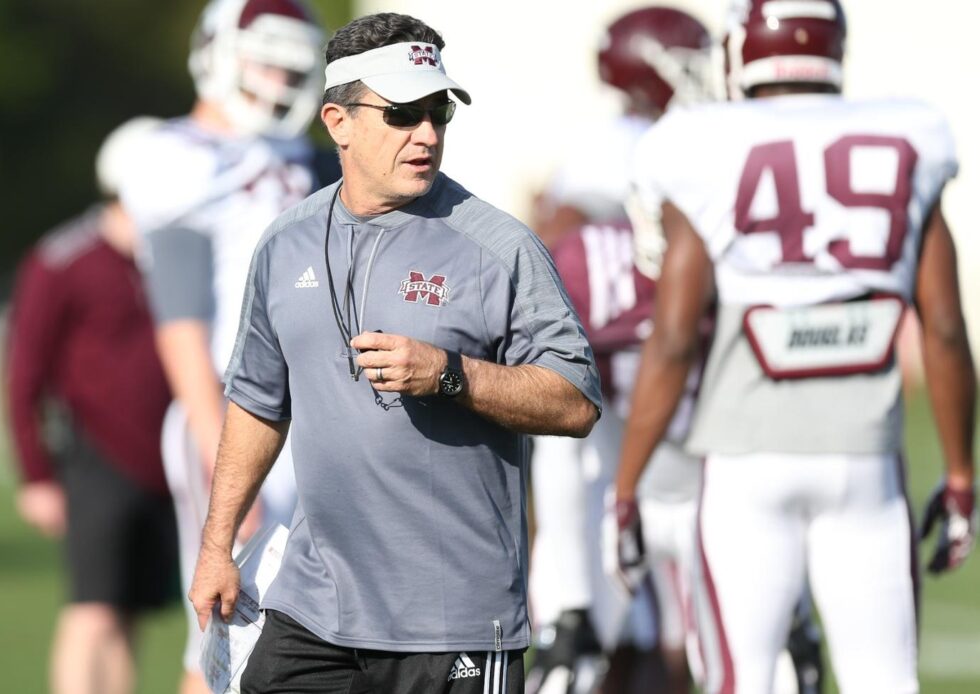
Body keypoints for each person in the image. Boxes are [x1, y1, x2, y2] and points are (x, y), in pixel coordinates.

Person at [188, 12, 603, 694]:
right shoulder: (284, 243)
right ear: (338, 121)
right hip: (314, 609)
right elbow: (258, 404)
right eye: (404, 114)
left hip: (452, 623)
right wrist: (216, 547)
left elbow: (577, 401)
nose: (428, 134)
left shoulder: (499, 248)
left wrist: (450, 374)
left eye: (439, 111)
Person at [612, 1, 976, 692]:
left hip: (746, 456)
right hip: (866, 457)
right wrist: (960, 474)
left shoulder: (703, 142)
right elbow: (947, 327)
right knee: (884, 681)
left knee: (740, 681)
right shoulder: (909, 133)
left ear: (744, 49)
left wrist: (626, 487)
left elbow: (674, 340)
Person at [116, 2, 325, 692]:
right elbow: (179, 320)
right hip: (237, 418)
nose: (284, 77)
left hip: (317, 422)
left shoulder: (308, 156)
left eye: (295, 62)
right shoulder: (176, 157)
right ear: (218, 54)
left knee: (313, 632)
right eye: (269, 59)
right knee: (224, 634)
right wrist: (218, 444)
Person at [525, 9, 713, 694]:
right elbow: (561, 236)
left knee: (659, 652)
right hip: (626, 444)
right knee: (595, 648)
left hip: (666, 444)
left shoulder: (680, 140)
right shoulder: (619, 152)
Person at [4, 116, 178, 694]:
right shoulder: (64, 260)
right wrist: (37, 475)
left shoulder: (177, 255)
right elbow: (23, 374)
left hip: (167, 460)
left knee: (127, 612)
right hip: (98, 458)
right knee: (94, 610)